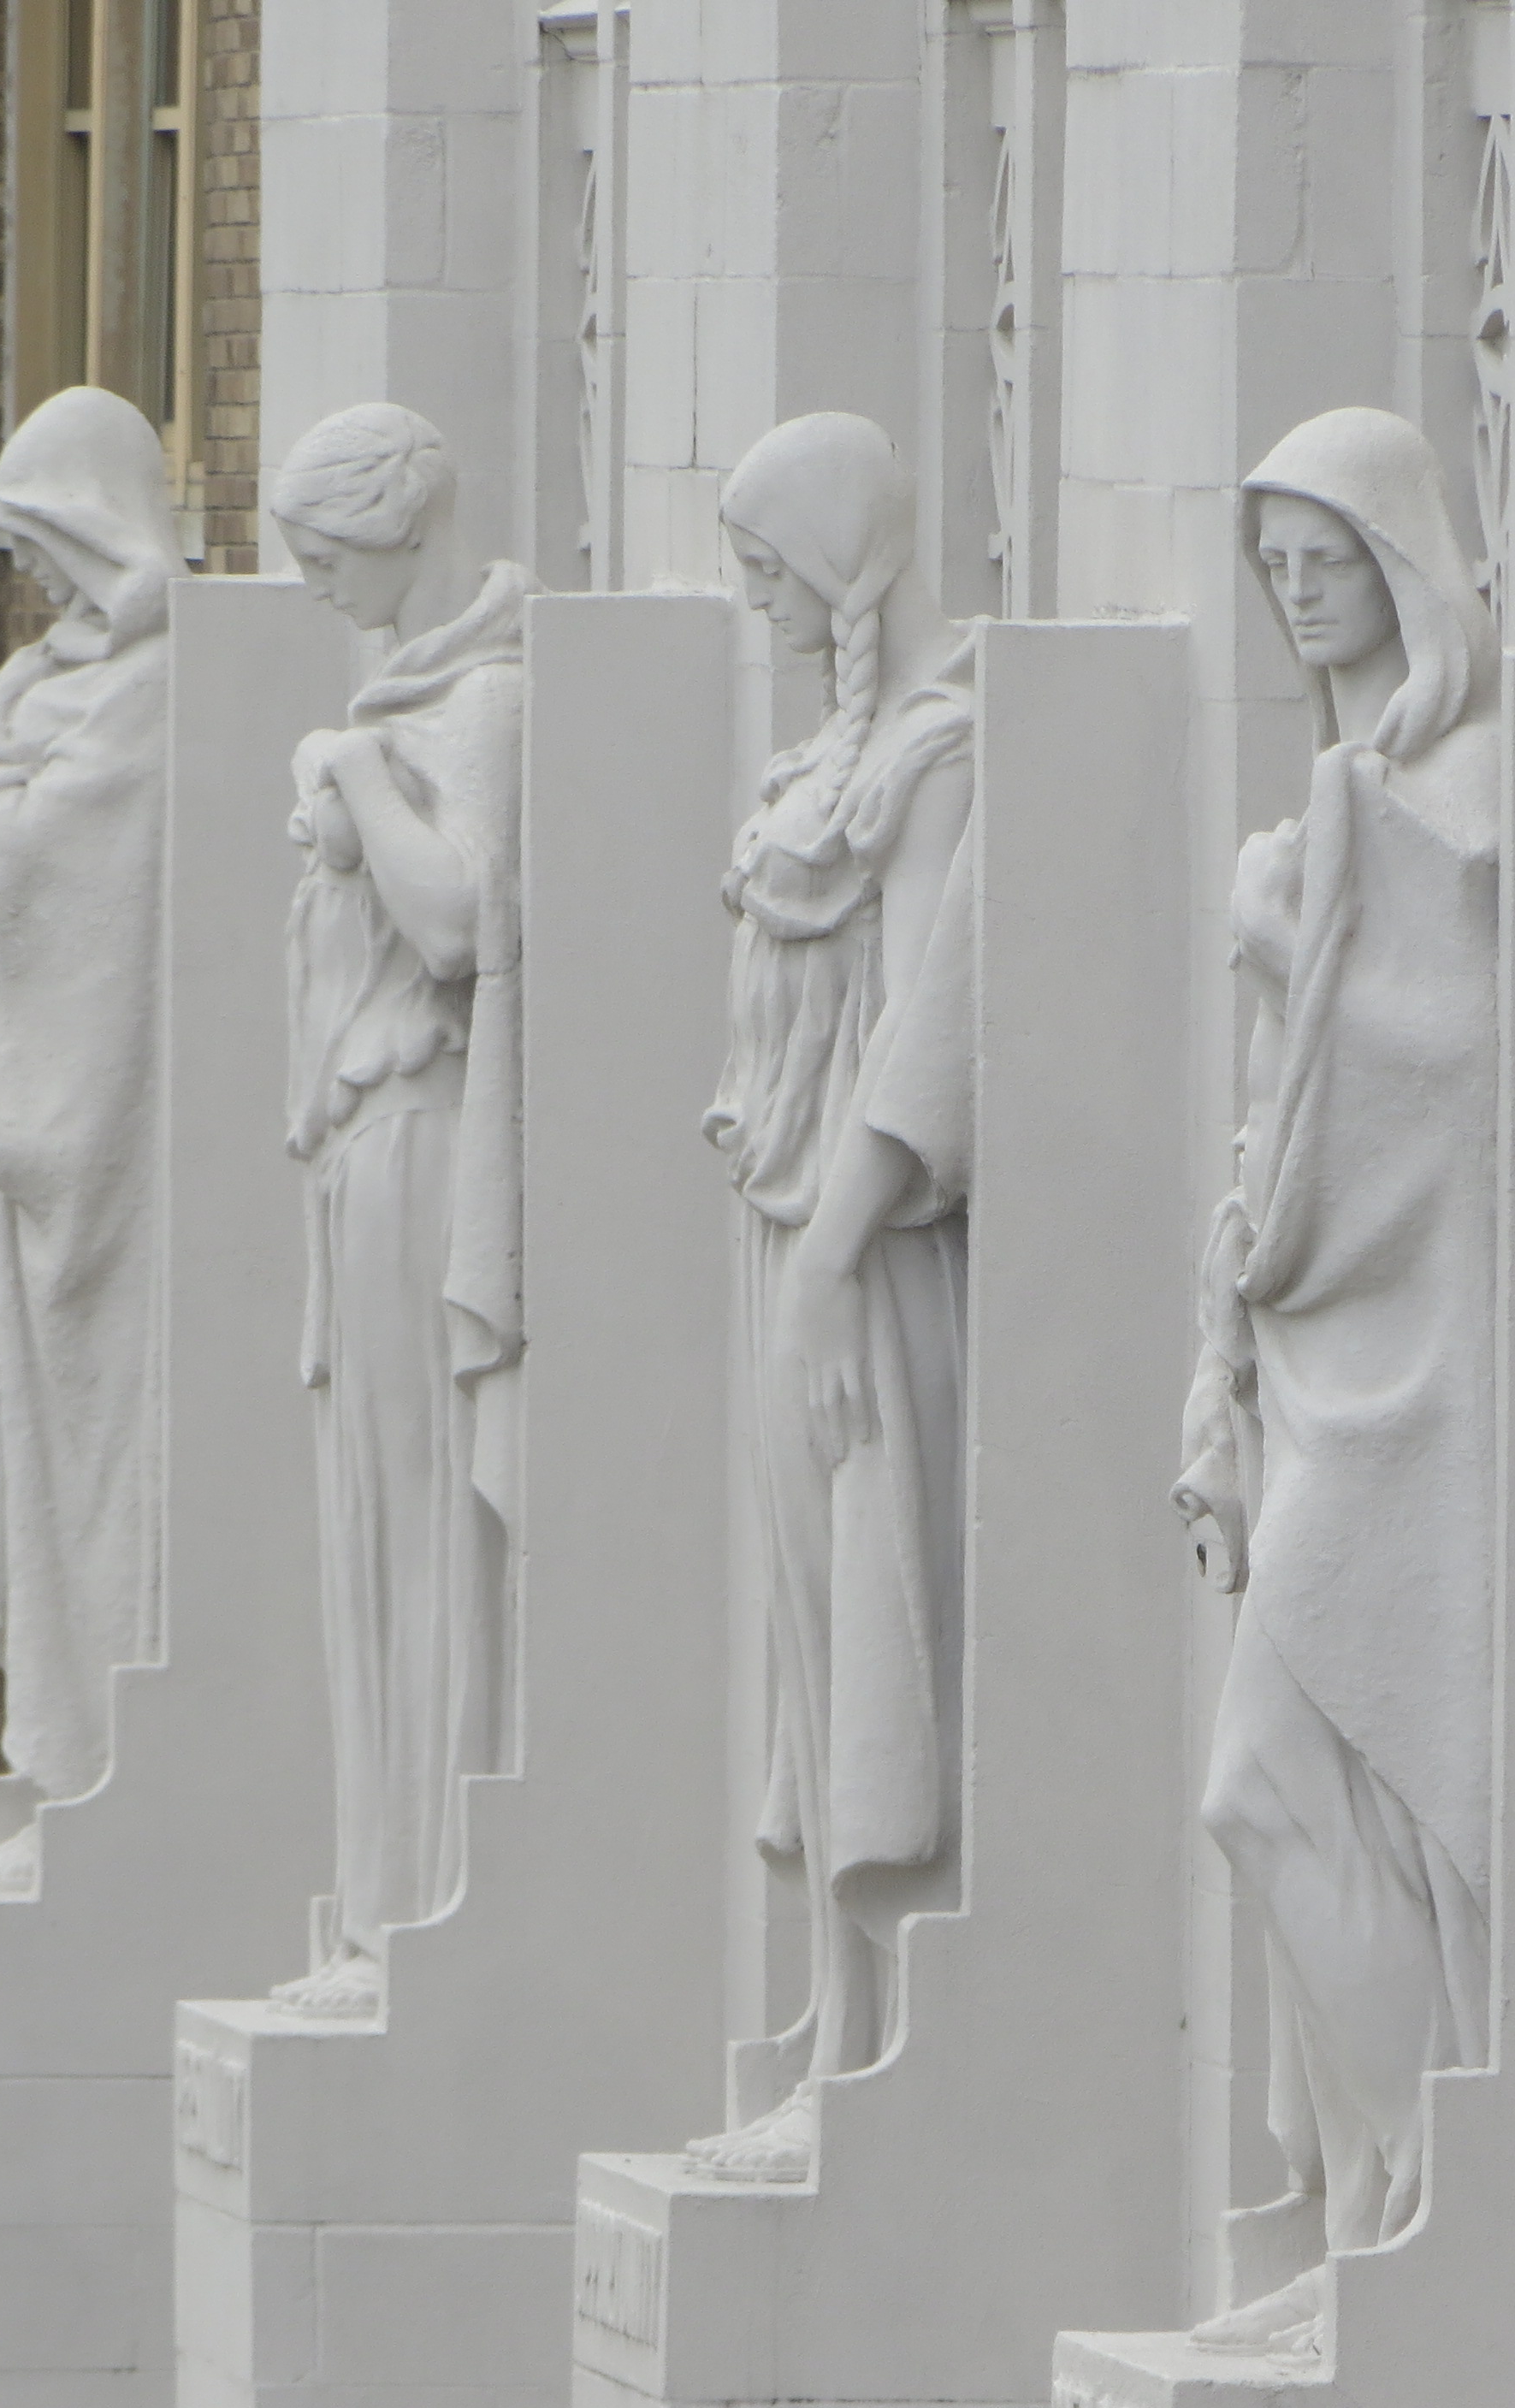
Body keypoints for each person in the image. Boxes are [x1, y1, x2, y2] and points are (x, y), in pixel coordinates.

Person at [1176, 409, 1503, 2351]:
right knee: (1266, 1795)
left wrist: (1304, 936)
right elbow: (1260, 1132)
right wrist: (1214, 1359)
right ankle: (1359, 2203)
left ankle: (1391, 2215)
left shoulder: (1460, 798)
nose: (1298, 592)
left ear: (1404, 562)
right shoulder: (1337, 794)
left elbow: (1443, 1082)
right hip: (1302, 1352)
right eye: (1273, 558)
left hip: (1418, 1361)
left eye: (1327, 553)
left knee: (1293, 1779)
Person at [688, 413, 978, 2182]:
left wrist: (830, 1252)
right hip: (785, 1245)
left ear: (833, 561)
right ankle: (829, 2023)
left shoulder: (932, 760)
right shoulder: (819, 762)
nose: (751, 601)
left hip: (860, 1274)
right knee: (802, 1660)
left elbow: (935, 1023)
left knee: (874, 1630)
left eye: (763, 568)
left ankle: (876, 2047)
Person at [267, 404, 536, 2016]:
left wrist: (360, 775)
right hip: (359, 1153)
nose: (311, 589)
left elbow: (458, 930)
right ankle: (378, 1899)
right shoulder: (401, 697)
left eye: (322, 555)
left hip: (428, 1141)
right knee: (368, 1532)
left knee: (430, 1531)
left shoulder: (481, 701)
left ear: (401, 528)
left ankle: (423, 1901)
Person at [0, 386, 182, 1885]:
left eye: (44, 544)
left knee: (105, 1456)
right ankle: (52, 1749)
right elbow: (0, 810)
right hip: (22, 1132)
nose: (31, 584)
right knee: (38, 1452)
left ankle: (97, 1762)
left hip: (100, 1146)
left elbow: (49, 853)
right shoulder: (49, 681)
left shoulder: (159, 684)